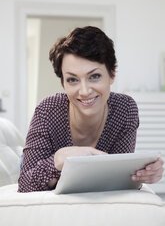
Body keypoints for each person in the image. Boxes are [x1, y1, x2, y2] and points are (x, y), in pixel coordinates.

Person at [18, 26, 164, 192]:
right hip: (38, 160)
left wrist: (144, 173)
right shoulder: (47, 110)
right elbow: (24, 183)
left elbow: (117, 181)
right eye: (73, 79)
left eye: (94, 76)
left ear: (112, 74)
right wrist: (57, 161)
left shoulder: (125, 109)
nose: (85, 91)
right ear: (63, 83)